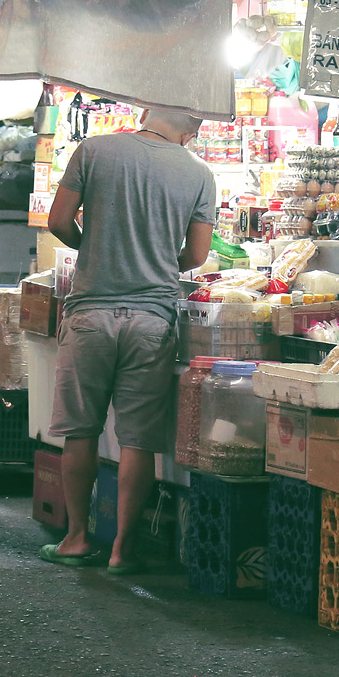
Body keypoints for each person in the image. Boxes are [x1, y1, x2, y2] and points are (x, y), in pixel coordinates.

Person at [41, 107, 215, 572]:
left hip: (90, 315)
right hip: (152, 320)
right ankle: (123, 550)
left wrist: (94, 246)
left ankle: (76, 539)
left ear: (145, 111)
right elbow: (197, 254)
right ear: (191, 131)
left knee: (81, 430)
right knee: (138, 440)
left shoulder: (94, 149)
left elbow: (58, 221)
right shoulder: (199, 173)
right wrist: (157, 261)